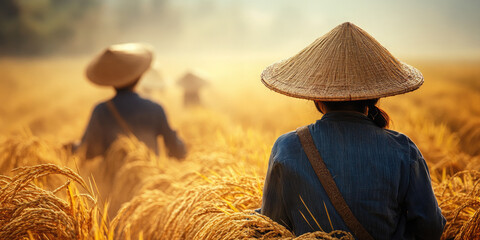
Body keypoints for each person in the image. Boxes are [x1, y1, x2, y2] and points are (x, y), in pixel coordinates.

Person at [259, 22, 446, 239]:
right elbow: (430, 227)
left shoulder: (287, 147)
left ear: (317, 97)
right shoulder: (403, 150)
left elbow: (271, 227)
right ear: (375, 95)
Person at [75, 43, 186, 160]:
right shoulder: (155, 108)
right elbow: (177, 151)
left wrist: (70, 148)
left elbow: (87, 151)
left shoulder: (101, 110)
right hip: (151, 175)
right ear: (138, 76)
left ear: (110, 79)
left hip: (114, 177)